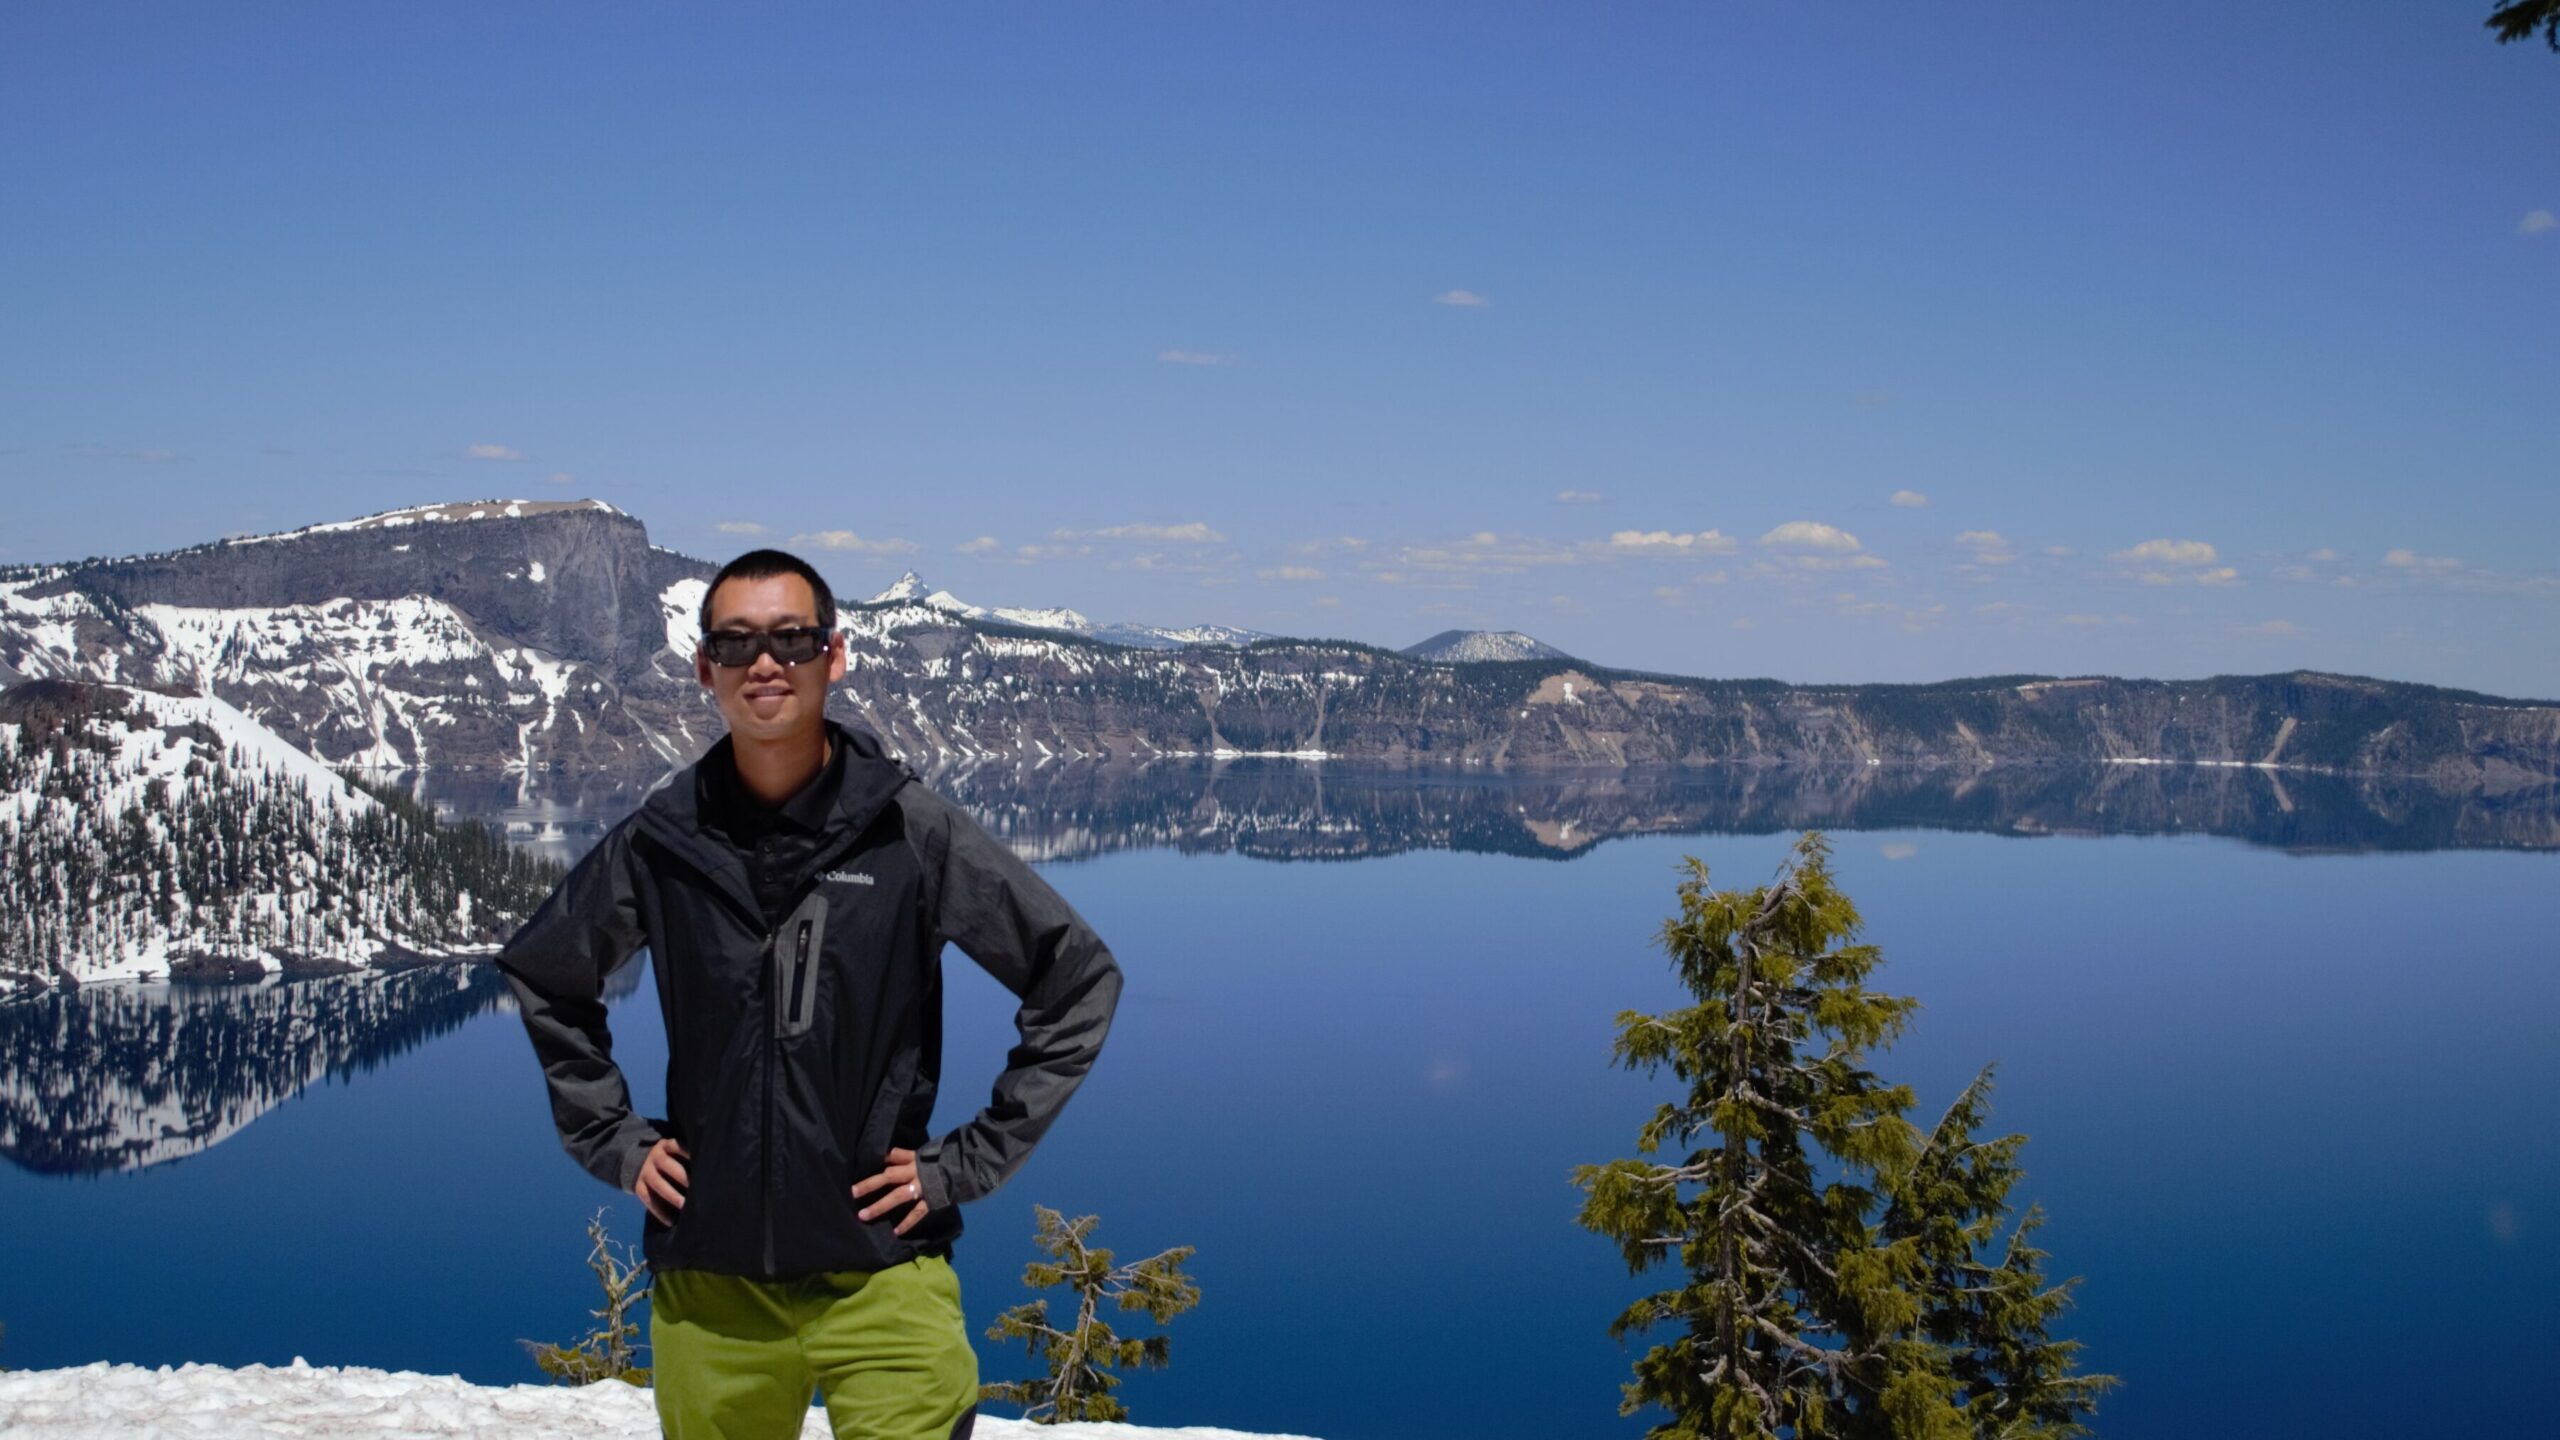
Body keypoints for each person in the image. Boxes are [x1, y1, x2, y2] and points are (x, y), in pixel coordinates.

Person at [496, 548, 1124, 1440]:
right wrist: (611, 1137)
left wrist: (963, 1165)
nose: (766, 662)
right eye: (737, 641)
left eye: (792, 639)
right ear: (703, 665)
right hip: (710, 1288)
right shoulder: (663, 839)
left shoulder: (910, 831)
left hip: (883, 1275)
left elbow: (1077, 979)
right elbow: (548, 971)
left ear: (834, 656)